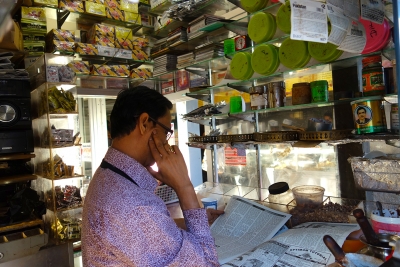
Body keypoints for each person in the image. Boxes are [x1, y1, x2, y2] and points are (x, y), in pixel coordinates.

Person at [82, 86, 224, 266]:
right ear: (144, 123)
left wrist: (196, 220)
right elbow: (207, 264)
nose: (167, 141)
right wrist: (184, 187)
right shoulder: (136, 206)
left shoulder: (108, 175)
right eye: (166, 131)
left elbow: (148, 233)